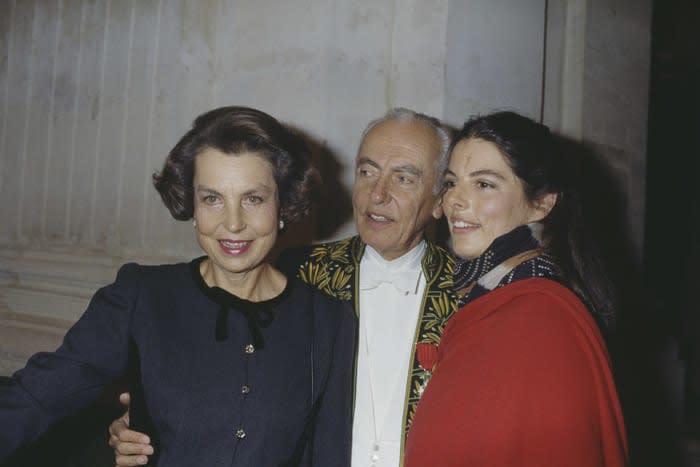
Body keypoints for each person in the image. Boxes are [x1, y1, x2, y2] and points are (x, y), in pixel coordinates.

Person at [0, 106, 356, 467]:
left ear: (283, 205)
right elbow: (38, 398)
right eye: (212, 198)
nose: (232, 223)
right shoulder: (141, 297)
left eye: (253, 199)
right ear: (192, 204)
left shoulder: (328, 322)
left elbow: (328, 455)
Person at [109, 108, 459, 467]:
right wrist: (145, 424)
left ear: (439, 201)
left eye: (403, 178)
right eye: (367, 172)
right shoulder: (296, 272)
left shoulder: (470, 296)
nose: (377, 194)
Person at [403, 111, 628, 466]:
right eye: (451, 182)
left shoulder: (541, 317)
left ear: (542, 203)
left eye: (484, 184)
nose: (455, 201)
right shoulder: (491, 297)